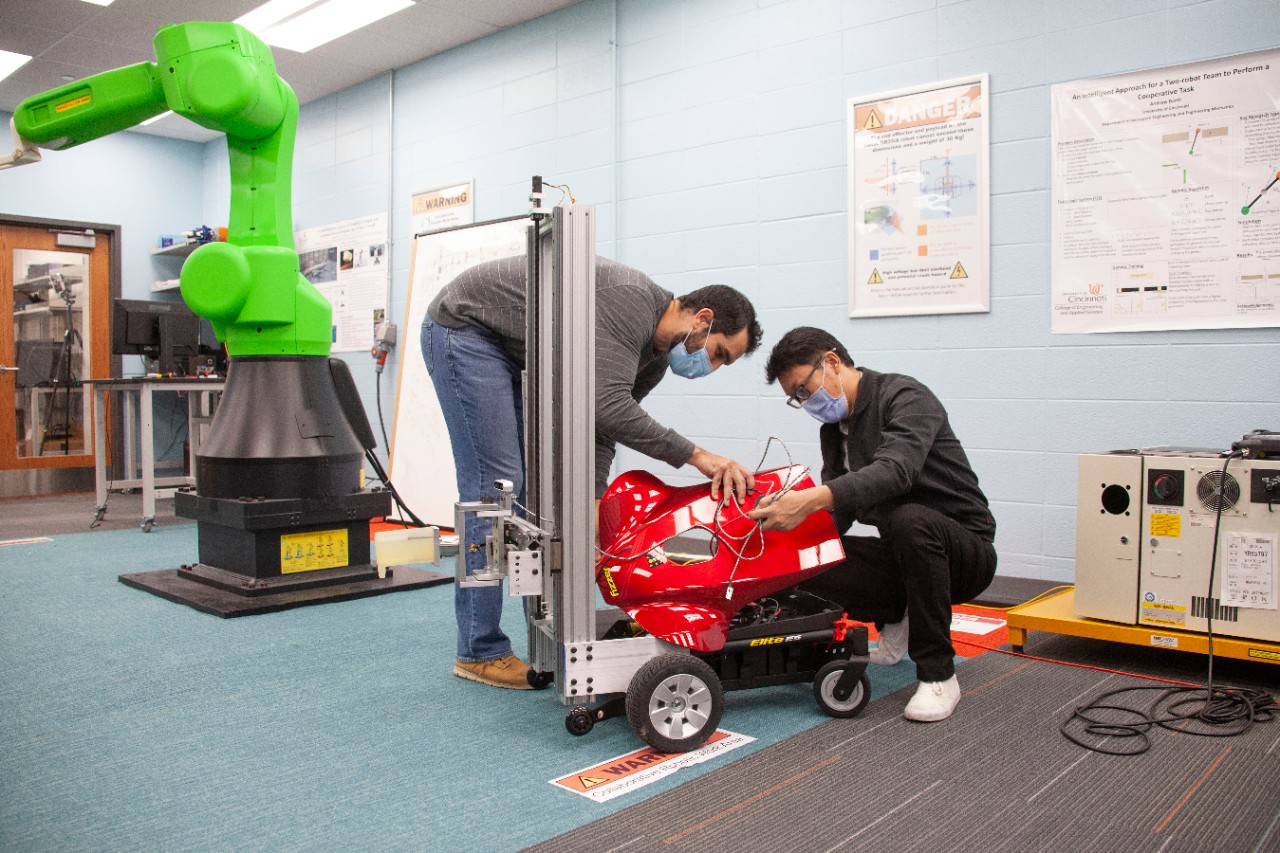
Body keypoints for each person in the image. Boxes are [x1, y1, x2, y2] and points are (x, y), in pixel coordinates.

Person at [424, 254, 764, 689]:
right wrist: (698, 456)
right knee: (497, 487)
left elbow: (601, 427)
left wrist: (593, 503)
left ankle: (541, 632)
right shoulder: (632, 302)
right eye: (719, 354)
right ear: (702, 319)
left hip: (511, 350)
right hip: (466, 330)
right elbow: (607, 405)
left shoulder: (654, 357)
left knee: (536, 492)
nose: (711, 368)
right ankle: (479, 650)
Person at [746, 326, 996, 722]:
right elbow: (839, 514)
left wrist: (810, 499)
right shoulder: (834, 430)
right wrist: (782, 531)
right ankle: (896, 619)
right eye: (796, 399)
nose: (805, 403)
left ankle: (938, 674)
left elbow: (896, 471)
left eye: (802, 390)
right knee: (810, 559)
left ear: (830, 362)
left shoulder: (906, 396)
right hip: (906, 554)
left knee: (909, 520)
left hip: (965, 553)